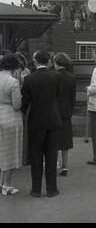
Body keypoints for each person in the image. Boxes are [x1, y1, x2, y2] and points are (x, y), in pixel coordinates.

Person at [21, 51, 62, 198]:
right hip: (53, 119)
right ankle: (52, 189)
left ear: (35, 61)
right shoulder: (56, 77)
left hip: (36, 121)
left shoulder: (29, 79)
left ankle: (36, 190)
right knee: (51, 155)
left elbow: (24, 102)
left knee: (36, 155)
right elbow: (58, 95)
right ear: (49, 61)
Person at [0, 54, 23, 195]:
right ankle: (6, 185)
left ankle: (2, 182)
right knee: (9, 151)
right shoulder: (13, 82)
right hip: (10, 117)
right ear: (14, 67)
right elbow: (17, 105)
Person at [53, 52, 76, 176]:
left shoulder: (52, 76)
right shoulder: (72, 78)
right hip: (66, 111)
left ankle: (55, 163)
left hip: (54, 111)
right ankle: (65, 166)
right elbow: (73, 98)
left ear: (56, 62)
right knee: (65, 140)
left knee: (54, 139)